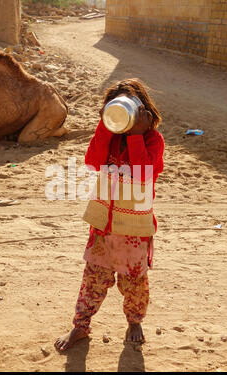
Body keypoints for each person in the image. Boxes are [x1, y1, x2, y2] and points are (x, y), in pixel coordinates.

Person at [55, 78, 164, 351]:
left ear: (143, 109)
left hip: (134, 228)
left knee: (134, 281)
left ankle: (134, 321)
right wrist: (107, 125)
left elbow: (144, 174)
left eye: (129, 103)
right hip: (104, 224)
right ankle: (80, 326)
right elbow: (92, 161)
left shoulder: (153, 139)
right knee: (93, 278)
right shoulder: (108, 135)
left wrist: (136, 134)